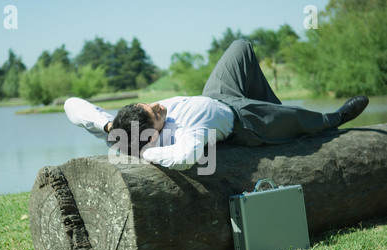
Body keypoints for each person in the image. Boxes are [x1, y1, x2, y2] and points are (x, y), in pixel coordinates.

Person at [64, 40, 369, 171]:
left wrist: (106, 125)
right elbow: (186, 157)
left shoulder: (120, 130)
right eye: (156, 113)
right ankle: (334, 119)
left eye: (150, 104)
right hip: (242, 119)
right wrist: (148, 153)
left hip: (217, 93)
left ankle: (278, 115)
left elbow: (72, 104)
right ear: (152, 135)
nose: (158, 105)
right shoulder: (184, 137)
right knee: (299, 120)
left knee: (241, 48)